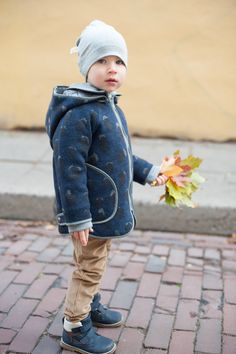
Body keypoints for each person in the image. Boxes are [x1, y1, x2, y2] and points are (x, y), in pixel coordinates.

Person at [45, 20, 168, 354]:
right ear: (86, 67)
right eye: (101, 61)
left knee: (91, 264)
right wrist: (78, 217)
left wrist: (150, 172)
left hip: (103, 208)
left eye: (119, 61)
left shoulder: (110, 105)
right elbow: (67, 170)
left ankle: (90, 303)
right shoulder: (80, 115)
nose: (111, 69)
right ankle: (75, 327)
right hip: (90, 212)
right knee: (89, 267)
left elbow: (121, 155)